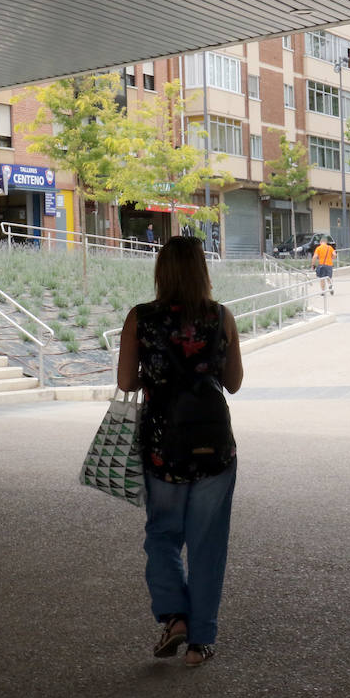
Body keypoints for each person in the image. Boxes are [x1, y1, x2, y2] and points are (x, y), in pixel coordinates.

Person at [116, 236, 245, 667]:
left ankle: (175, 618)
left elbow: (126, 383)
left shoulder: (141, 318)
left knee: (163, 534)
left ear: (161, 271)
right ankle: (199, 643)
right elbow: (234, 382)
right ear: (202, 271)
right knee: (208, 545)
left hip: (161, 445)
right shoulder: (221, 317)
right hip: (214, 447)